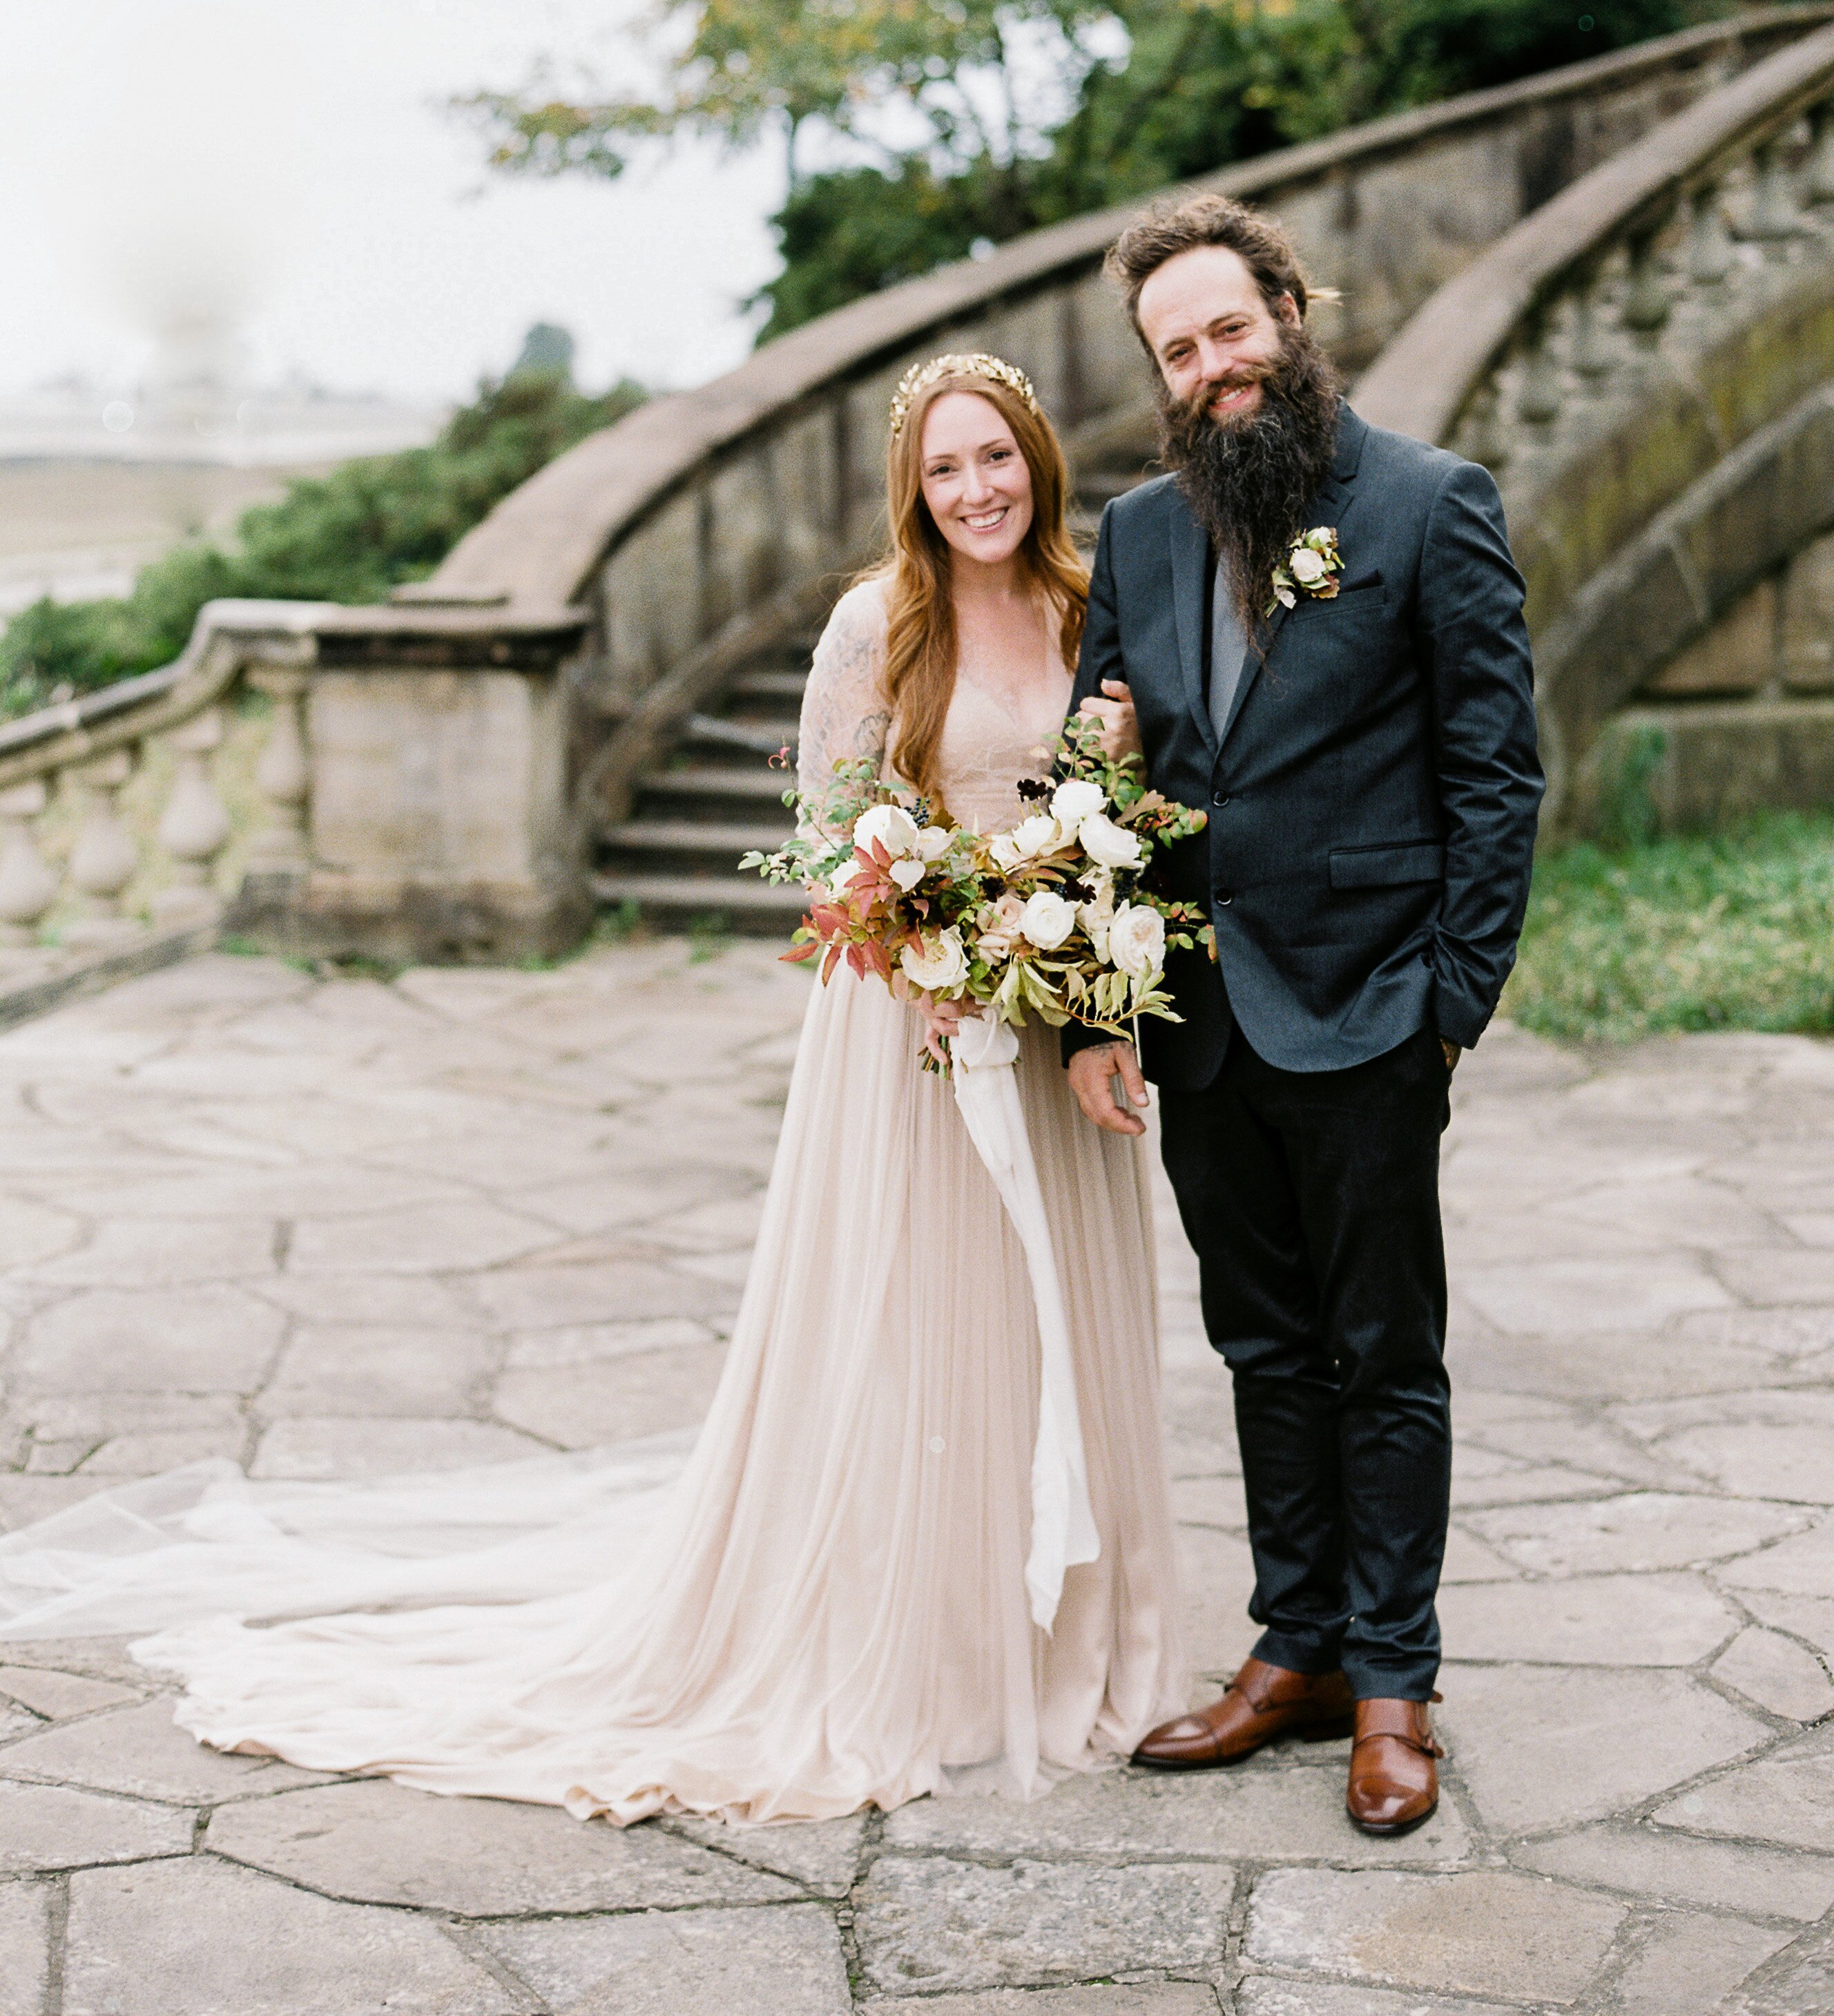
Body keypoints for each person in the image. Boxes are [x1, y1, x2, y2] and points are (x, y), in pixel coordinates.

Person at [0, 354, 1187, 1827]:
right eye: (945, 470)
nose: (975, 491)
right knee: (921, 1327)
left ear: (1037, 462)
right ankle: (926, 1654)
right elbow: (832, 837)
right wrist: (932, 926)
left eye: (995, 460)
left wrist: (1081, 937)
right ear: (912, 490)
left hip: (1056, 1007)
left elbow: (1124, 817)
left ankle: (1054, 1634)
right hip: (912, 1032)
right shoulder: (875, 622)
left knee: (1042, 1317)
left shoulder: (1089, 607)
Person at [1063, 193, 1542, 1836]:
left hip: (1370, 1010)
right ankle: (1298, 1649)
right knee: (1259, 1343)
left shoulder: (1424, 503)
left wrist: (1449, 1007)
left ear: (1289, 309)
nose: (1211, 365)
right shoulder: (1130, 535)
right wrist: (1101, 1002)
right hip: (1199, 1019)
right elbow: (1100, 788)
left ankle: (1393, 1679)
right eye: (1176, 347)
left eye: (1229, 326)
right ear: (1158, 369)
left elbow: (1494, 774)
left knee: (1381, 1352)